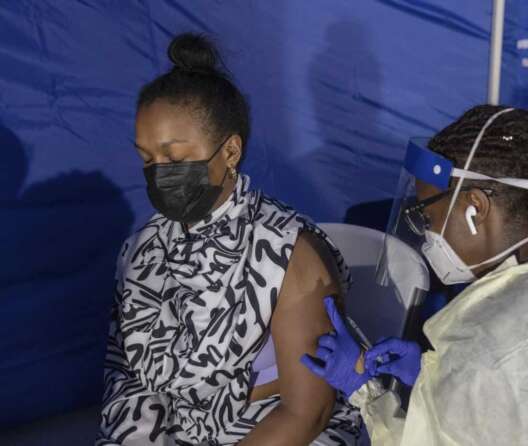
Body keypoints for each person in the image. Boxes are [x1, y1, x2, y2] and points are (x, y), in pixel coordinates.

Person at [302, 105, 528, 445]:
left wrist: (365, 390)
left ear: (474, 208)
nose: (424, 234)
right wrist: (438, 383)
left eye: (426, 218)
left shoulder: (485, 339)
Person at [96, 33, 361, 446]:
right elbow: (131, 380)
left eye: (174, 158)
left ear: (231, 151)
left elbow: (307, 412)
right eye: (147, 159)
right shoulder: (145, 250)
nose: (157, 173)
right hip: (180, 425)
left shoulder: (285, 252)